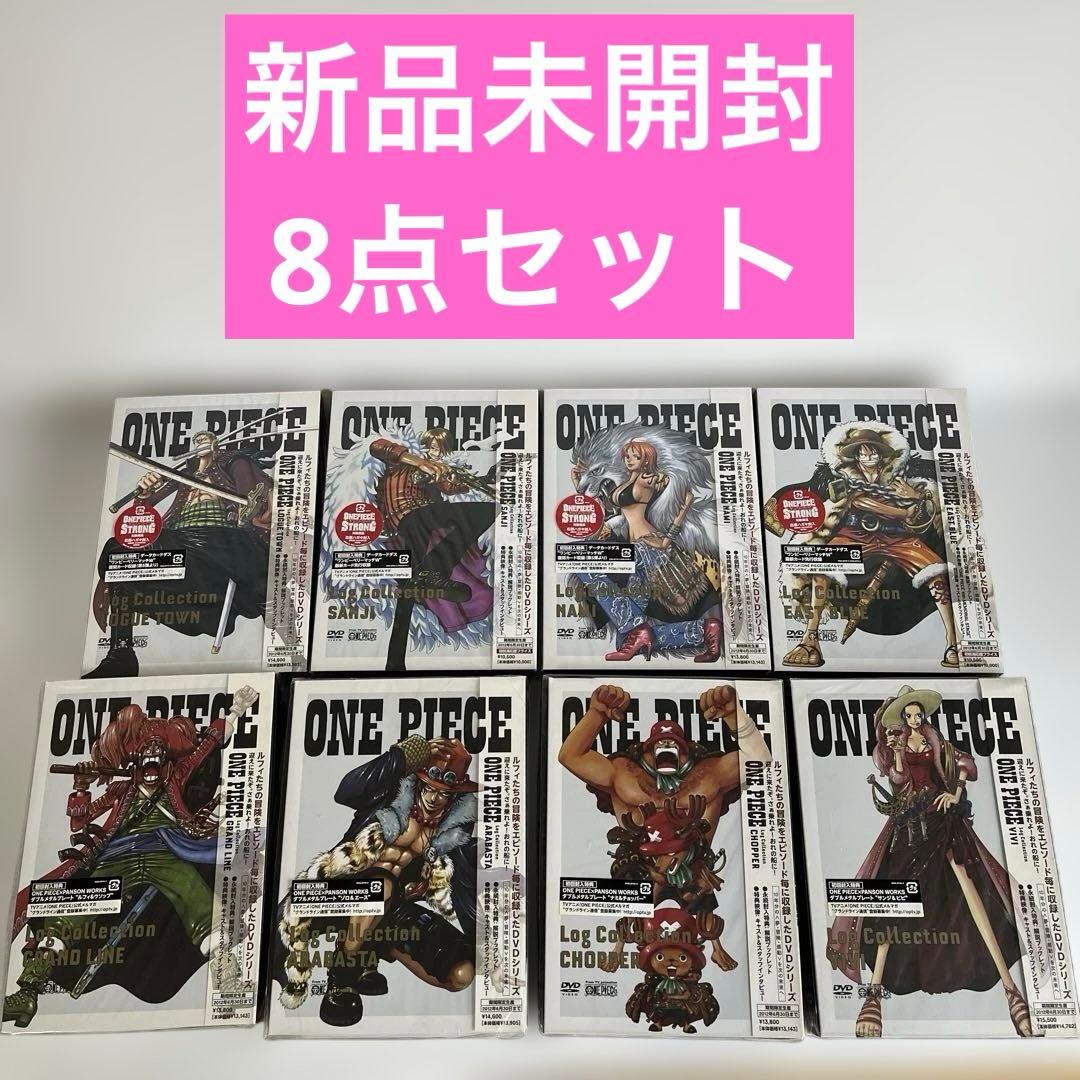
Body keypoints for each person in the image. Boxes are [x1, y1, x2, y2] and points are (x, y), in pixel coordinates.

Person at [828, 686, 1032, 1038]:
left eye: (917, 713)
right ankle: (873, 995)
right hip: (909, 820)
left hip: (941, 816)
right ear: (900, 717)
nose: (914, 718)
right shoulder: (894, 745)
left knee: (967, 883)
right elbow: (898, 781)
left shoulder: (935, 740)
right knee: (894, 894)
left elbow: (966, 764)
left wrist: (955, 792)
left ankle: (1011, 990)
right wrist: (896, 755)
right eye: (907, 714)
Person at [275, 737, 479, 1028]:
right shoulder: (390, 795)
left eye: (443, 793)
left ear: (454, 795)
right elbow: (346, 791)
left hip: (389, 908)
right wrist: (401, 756)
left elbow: (455, 878)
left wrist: (427, 885)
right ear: (418, 782)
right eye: (429, 788)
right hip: (332, 895)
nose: (434, 799)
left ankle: (377, 946)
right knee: (380, 887)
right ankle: (341, 978)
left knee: (461, 975)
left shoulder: (453, 830)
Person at [765, 421, 958, 669]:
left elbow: (921, 520)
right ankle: (809, 639)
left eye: (873, 451)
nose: (868, 456)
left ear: (882, 454)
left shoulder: (904, 480)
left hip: (898, 537)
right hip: (854, 535)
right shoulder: (846, 480)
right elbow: (861, 502)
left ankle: (953, 641)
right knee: (821, 565)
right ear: (855, 456)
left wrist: (916, 499)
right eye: (862, 452)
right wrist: (904, 510)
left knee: (936, 572)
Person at [89, 431, 273, 677]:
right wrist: (144, 495)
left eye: (205, 440)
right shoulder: (185, 473)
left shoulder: (233, 461)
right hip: (181, 541)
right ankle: (121, 655)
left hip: (221, 539)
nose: (200, 444)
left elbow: (251, 494)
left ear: (215, 444)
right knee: (119, 552)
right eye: (197, 441)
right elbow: (144, 513)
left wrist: (249, 508)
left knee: (255, 569)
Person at [576, 438, 724, 662]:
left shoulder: (650, 478)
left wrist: (667, 539)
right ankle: (704, 631)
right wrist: (578, 483)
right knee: (625, 641)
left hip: (648, 548)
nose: (629, 460)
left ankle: (637, 628)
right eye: (627, 456)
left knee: (581, 556)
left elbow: (687, 497)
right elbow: (616, 512)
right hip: (634, 549)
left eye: (635, 456)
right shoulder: (629, 480)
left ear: (646, 459)